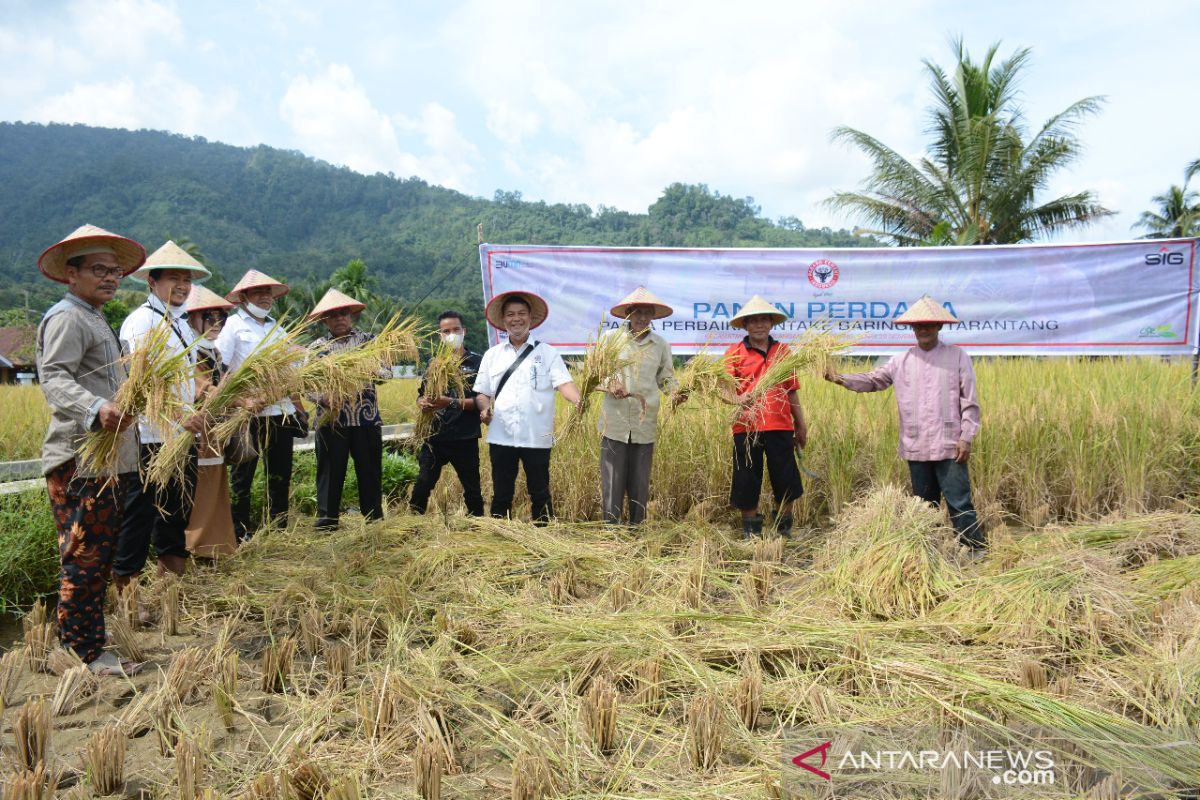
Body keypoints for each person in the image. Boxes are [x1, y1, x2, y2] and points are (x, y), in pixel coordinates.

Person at [35, 224, 145, 676]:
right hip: (79, 459)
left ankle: (86, 643)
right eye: (99, 270)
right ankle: (83, 653)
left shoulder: (97, 319)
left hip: (105, 460)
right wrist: (97, 407)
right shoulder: (67, 317)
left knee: (97, 556)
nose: (110, 278)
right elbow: (54, 378)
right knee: (84, 558)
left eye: (115, 271)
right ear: (71, 274)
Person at [826, 295, 985, 552]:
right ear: (912, 328)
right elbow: (873, 380)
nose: (923, 329)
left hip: (950, 444)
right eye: (918, 325)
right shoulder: (900, 361)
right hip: (916, 444)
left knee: (959, 502)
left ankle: (975, 550)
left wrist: (966, 436)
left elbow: (970, 402)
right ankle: (930, 553)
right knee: (923, 505)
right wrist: (839, 378)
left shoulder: (957, 357)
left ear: (939, 327)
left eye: (929, 324)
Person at [115, 242, 209, 587]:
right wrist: (178, 415)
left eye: (186, 280)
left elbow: (189, 376)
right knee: (140, 513)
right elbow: (138, 383)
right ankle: (127, 588)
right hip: (149, 436)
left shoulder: (182, 325)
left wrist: (204, 400)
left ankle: (171, 579)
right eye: (174, 278)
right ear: (152, 282)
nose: (183, 285)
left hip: (179, 434)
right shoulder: (141, 322)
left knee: (177, 506)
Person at [473, 291, 583, 523]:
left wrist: (577, 400)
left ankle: (544, 535)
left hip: (537, 434)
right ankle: (499, 534)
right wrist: (484, 409)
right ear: (503, 321)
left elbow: (564, 383)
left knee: (540, 490)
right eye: (511, 314)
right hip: (502, 434)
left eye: (521, 313)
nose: (516, 319)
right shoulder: (492, 355)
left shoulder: (547, 353)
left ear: (531, 318)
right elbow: (483, 392)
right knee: (502, 491)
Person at [217, 270, 306, 540]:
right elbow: (220, 370)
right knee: (242, 475)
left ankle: (277, 529)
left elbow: (292, 371)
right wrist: (241, 401)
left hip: (280, 412)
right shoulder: (232, 325)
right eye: (259, 292)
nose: (265, 297)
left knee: (280, 473)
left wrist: (298, 407)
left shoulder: (277, 329)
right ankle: (240, 531)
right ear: (244, 296)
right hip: (247, 415)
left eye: (268, 293)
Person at [597, 287, 684, 525]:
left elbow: (666, 378)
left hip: (644, 422)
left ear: (653, 316)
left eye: (647, 313)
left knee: (640, 480)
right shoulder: (610, 340)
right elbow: (597, 373)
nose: (642, 317)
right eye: (637, 312)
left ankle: (637, 530)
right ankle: (612, 530)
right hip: (614, 421)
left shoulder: (660, 345)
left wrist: (676, 393)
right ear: (628, 314)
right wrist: (611, 383)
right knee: (612, 480)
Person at [724, 295, 807, 538]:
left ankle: (784, 528)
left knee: (786, 476)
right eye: (753, 321)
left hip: (780, 425)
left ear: (771, 324)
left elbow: (791, 392)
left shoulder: (783, 352)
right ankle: (752, 531)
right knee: (747, 477)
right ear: (745, 325)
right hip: (746, 426)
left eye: (764, 320)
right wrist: (738, 399)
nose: (759, 325)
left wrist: (801, 425)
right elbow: (723, 389)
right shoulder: (734, 353)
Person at [306, 289, 384, 530]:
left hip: (365, 419)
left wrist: (368, 370)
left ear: (351, 316)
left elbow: (386, 372)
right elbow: (306, 385)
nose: (339, 318)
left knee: (370, 470)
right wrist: (324, 398)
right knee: (330, 472)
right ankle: (327, 521)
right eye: (333, 315)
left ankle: (374, 520)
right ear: (324, 321)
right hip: (332, 421)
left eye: (343, 314)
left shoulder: (369, 342)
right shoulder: (317, 348)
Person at [410, 310, 485, 516]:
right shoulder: (434, 364)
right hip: (434, 436)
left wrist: (449, 402)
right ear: (439, 335)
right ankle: (413, 524)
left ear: (464, 331)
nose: (451, 334)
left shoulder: (477, 363)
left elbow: (480, 401)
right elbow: (421, 395)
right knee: (423, 484)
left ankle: (477, 527)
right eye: (446, 331)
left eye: (455, 329)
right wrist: (422, 403)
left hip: (465, 436)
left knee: (472, 490)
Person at [182, 283, 237, 558]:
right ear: (192, 318)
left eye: (221, 318)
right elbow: (201, 388)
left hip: (214, 429)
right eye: (209, 317)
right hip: (196, 428)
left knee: (215, 483)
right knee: (200, 488)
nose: (216, 324)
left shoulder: (213, 351)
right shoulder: (189, 351)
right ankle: (198, 546)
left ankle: (218, 544)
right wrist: (235, 399)